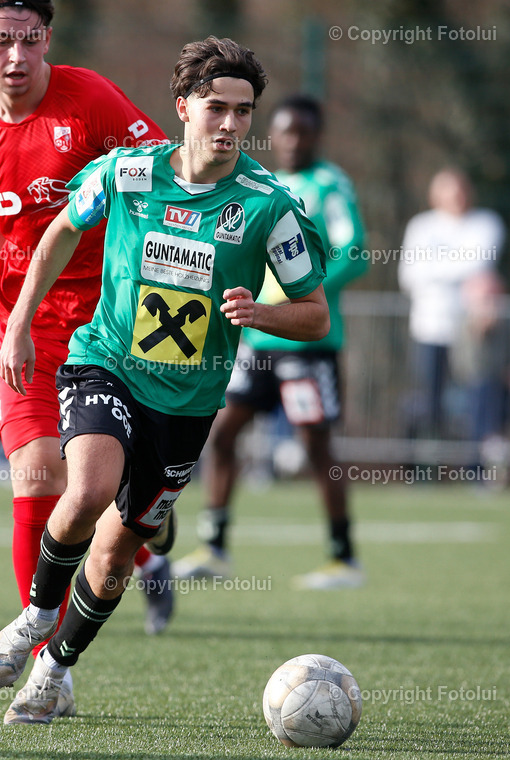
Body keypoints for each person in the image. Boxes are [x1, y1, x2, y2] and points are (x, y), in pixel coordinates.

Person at [0, 36, 329, 724]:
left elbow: (315, 315)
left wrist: (264, 313)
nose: (230, 125)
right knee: (88, 487)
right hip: (106, 362)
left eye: (243, 112)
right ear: (183, 108)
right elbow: (61, 232)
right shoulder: (128, 171)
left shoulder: (268, 205)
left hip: (190, 403)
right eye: (216, 108)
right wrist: (18, 322)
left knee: (114, 553)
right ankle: (33, 619)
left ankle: (54, 669)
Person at [0, 0, 174, 635]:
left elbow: (166, 175)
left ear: (47, 40)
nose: (16, 57)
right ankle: (46, 662)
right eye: (2, 41)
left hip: (111, 323)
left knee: (100, 492)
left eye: (30, 41)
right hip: (28, 325)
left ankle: (140, 518)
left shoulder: (90, 100)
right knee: (37, 474)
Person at [172, 94, 368, 590]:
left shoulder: (329, 185)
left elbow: (356, 250)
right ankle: (214, 546)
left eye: (303, 132)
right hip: (257, 342)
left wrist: (310, 292)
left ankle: (344, 557)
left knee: (315, 445)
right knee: (224, 432)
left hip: (306, 345)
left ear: (316, 136)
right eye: (285, 131)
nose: (293, 140)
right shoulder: (262, 183)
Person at [399, 168, 505, 442]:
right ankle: (426, 467)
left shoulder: (486, 223)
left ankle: (476, 466)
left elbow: (479, 263)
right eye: (447, 189)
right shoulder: (421, 226)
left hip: (472, 326)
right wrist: (458, 271)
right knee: (428, 397)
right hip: (429, 325)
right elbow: (409, 275)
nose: (455, 196)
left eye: (460, 189)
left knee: (478, 395)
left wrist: (433, 270)